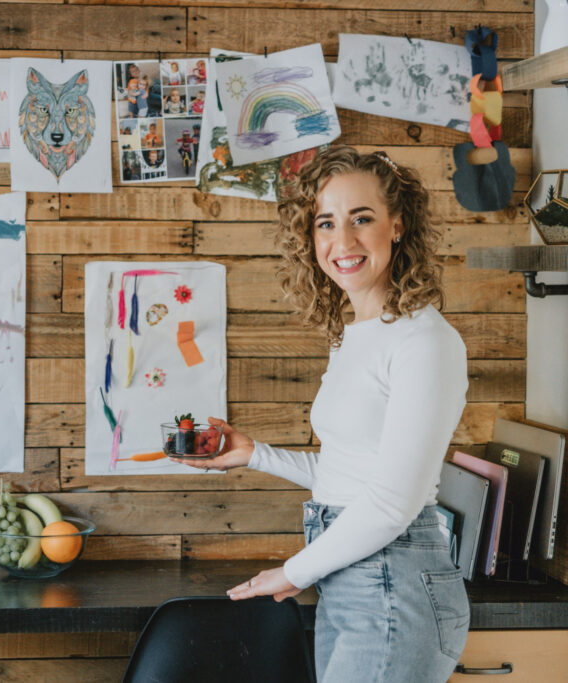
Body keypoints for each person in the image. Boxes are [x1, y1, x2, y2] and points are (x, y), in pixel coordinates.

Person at [172, 146, 470, 683]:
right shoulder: (355, 336)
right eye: (326, 223)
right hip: (356, 577)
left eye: (362, 219)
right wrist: (254, 455)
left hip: (392, 582)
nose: (343, 242)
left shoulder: (424, 342)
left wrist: (292, 573)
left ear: (397, 225)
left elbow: (391, 502)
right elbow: (353, 474)